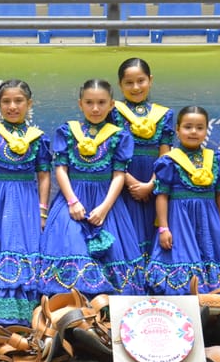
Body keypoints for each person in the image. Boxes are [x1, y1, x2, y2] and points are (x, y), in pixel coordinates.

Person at [38, 79, 146, 298]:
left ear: (111, 104)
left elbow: (119, 175)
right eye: (89, 102)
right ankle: (72, 318)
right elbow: (60, 169)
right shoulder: (68, 131)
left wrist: (104, 208)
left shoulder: (119, 135)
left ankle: (103, 321)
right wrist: (72, 201)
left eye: (101, 102)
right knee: (72, 251)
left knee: (111, 259)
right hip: (72, 202)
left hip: (106, 204)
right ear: (80, 104)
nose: (95, 108)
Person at [0, 80, 52, 326]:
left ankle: (27, 319)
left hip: (26, 203)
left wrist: (42, 210)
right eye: (6, 101)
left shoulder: (38, 138)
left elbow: (44, 175)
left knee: (25, 249)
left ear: (29, 104)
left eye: (18, 101)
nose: (12, 106)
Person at [145, 106, 220, 295]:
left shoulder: (215, 158)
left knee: (212, 258)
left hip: (209, 221)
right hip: (179, 222)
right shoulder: (169, 160)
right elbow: (162, 196)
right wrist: (164, 228)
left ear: (207, 130)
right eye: (188, 127)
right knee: (179, 259)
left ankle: (213, 308)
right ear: (177, 130)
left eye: (200, 127)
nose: (194, 132)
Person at [110, 57, 175, 260]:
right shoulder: (113, 112)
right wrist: (131, 182)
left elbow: (165, 154)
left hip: (154, 182)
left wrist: (151, 184)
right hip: (122, 181)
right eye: (129, 83)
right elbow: (109, 152)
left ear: (150, 80)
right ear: (120, 85)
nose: (136, 87)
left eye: (141, 80)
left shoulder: (164, 115)